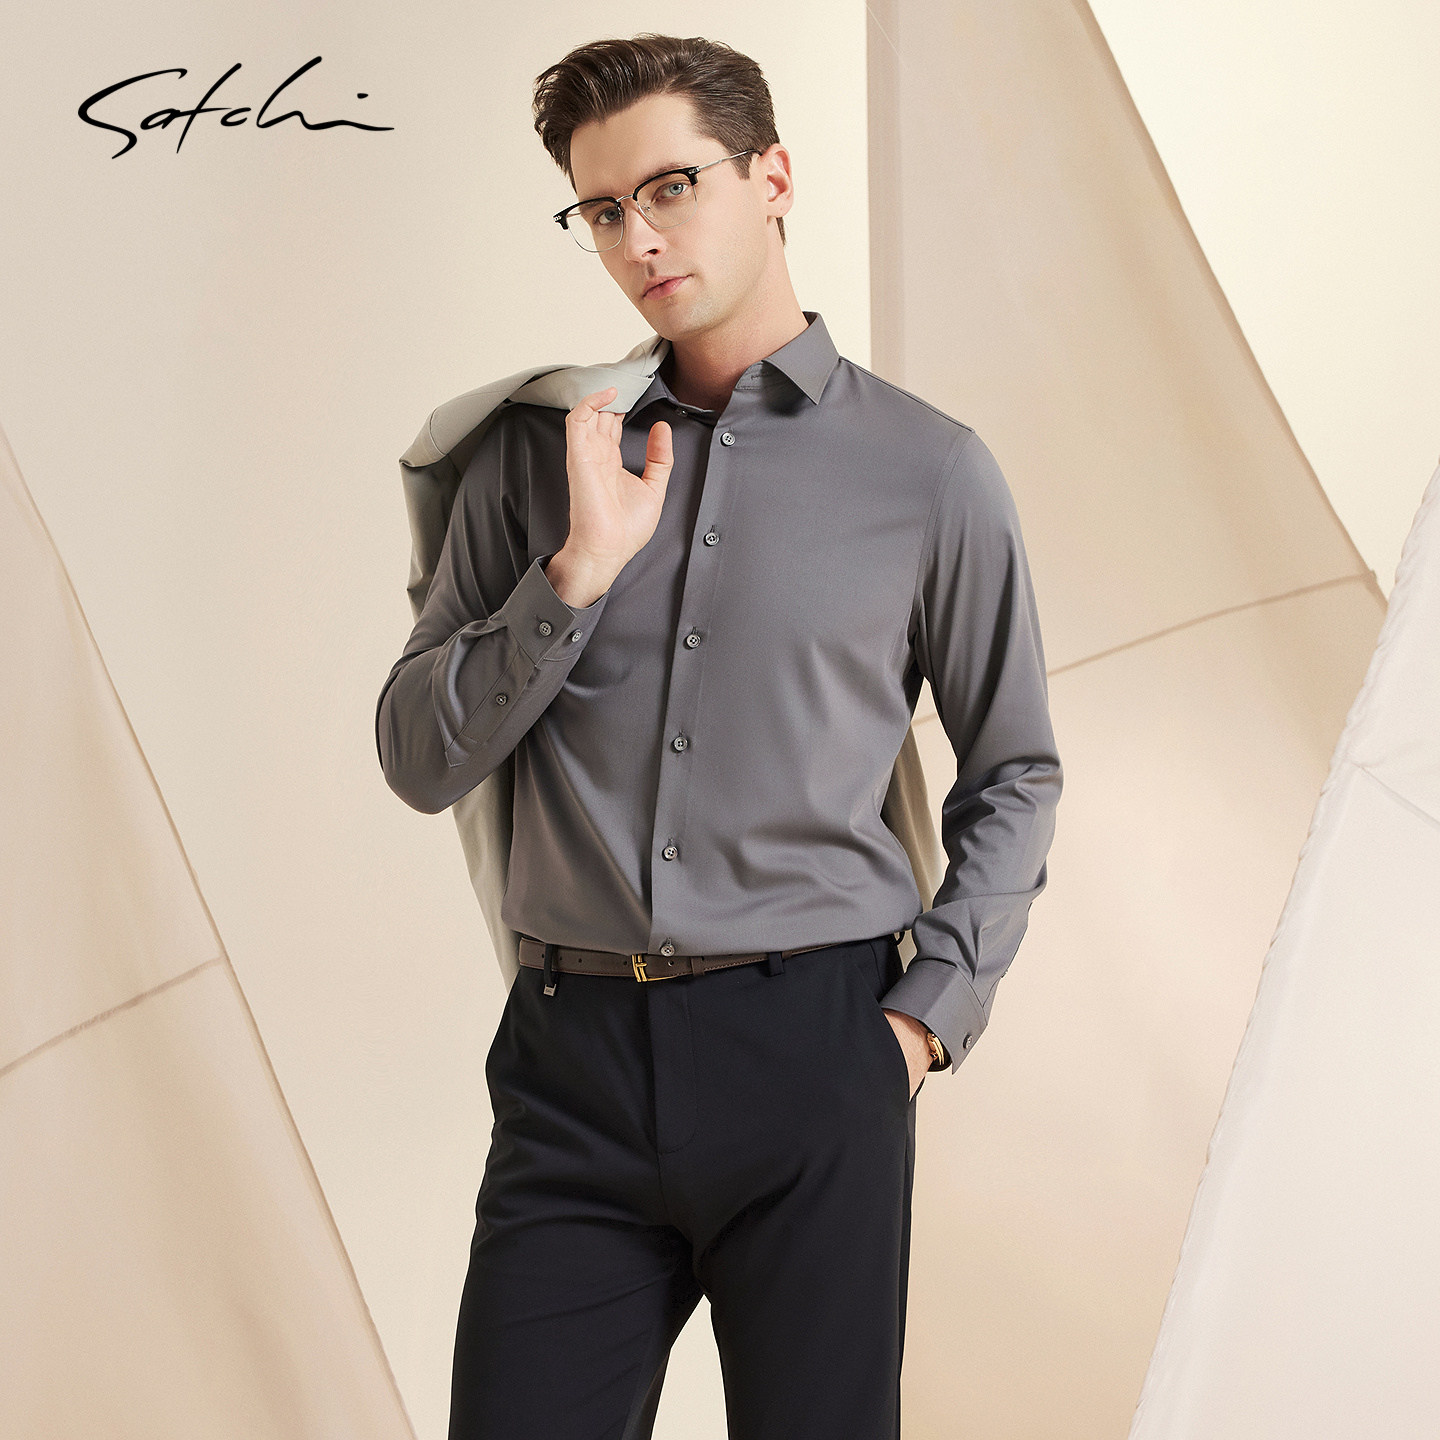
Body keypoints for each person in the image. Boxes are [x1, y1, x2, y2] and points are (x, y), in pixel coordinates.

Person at [375, 31, 1062, 1440]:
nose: (637, 238)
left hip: (817, 1053)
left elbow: (1014, 770)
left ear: (773, 179)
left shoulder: (930, 473)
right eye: (601, 210)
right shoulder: (535, 456)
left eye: (671, 187)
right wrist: (573, 576)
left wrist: (920, 1025)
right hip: (569, 1068)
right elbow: (417, 758)